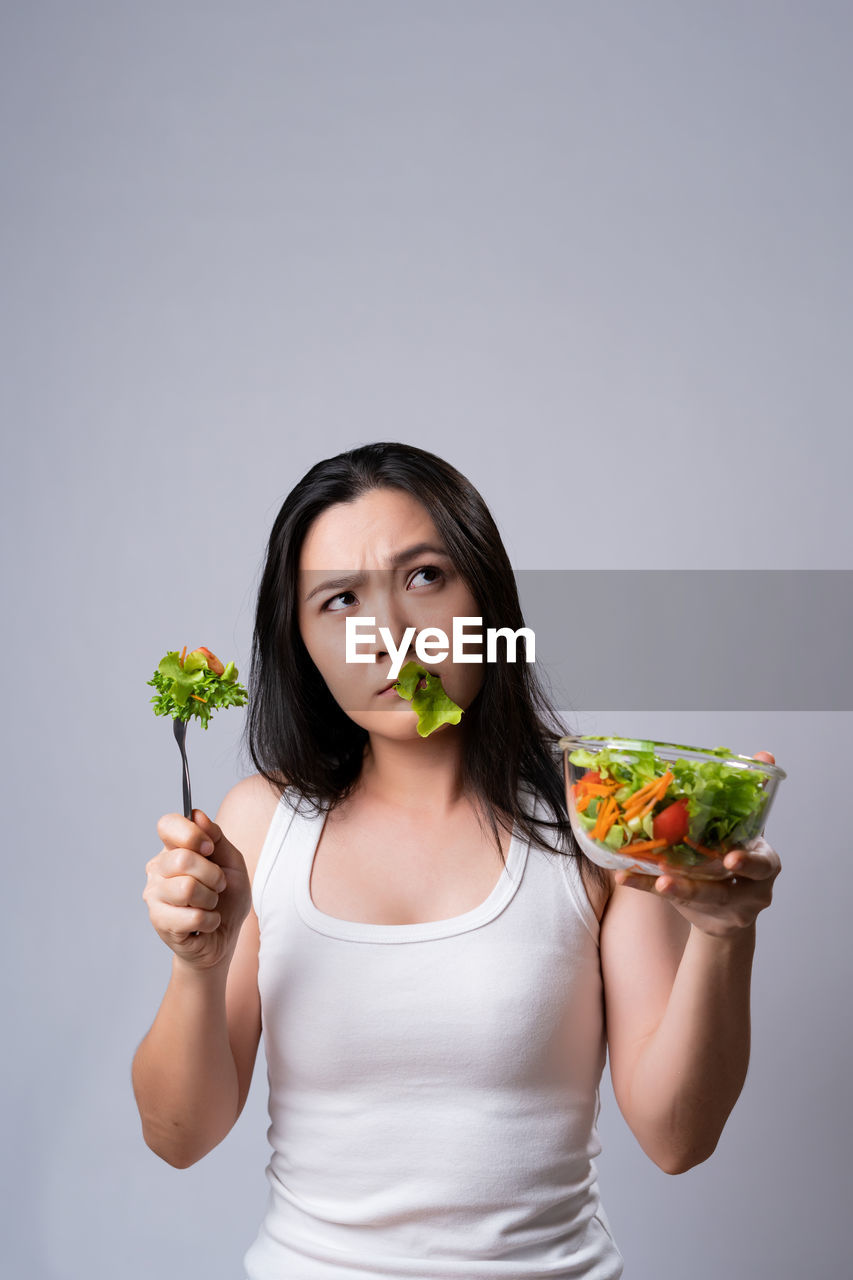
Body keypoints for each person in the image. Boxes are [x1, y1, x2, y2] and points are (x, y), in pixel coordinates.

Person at [132, 441, 782, 1279]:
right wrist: (196, 964)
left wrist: (725, 937)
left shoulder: (594, 814)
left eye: (425, 577)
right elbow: (177, 1137)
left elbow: (677, 1138)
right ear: (300, 642)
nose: (389, 635)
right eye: (337, 600)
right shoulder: (260, 822)